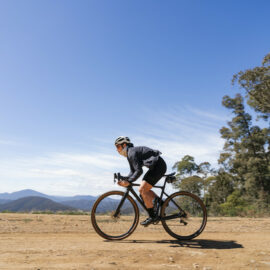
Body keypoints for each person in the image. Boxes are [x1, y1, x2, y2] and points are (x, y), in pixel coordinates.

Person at [114, 136, 167, 226]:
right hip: (157, 166)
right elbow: (133, 171)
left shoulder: (131, 152)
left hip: (158, 166)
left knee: (142, 189)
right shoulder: (130, 153)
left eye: (118, 147)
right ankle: (161, 203)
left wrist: (129, 181)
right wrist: (125, 178)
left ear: (124, 145)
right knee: (142, 191)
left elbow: (139, 171)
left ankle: (152, 216)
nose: (117, 150)